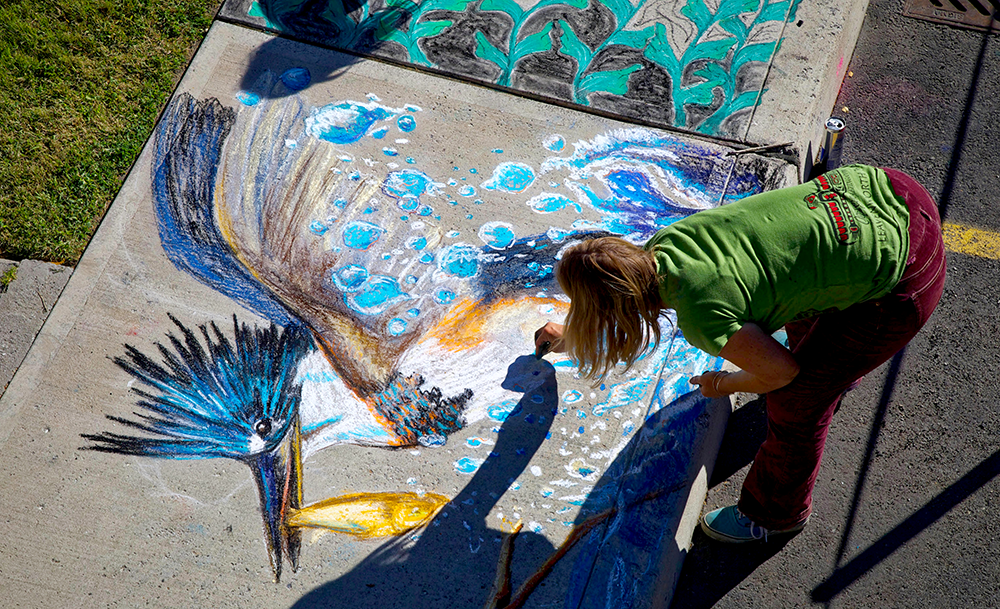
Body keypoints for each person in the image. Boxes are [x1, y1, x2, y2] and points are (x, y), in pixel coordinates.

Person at [533, 164, 946, 542]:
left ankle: (775, 515)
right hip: (885, 191)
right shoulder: (667, 244)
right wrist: (574, 332)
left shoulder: (701, 313)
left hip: (905, 276)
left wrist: (723, 383)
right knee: (797, 292)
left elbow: (781, 373)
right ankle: (837, 365)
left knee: (795, 399)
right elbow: (622, 288)